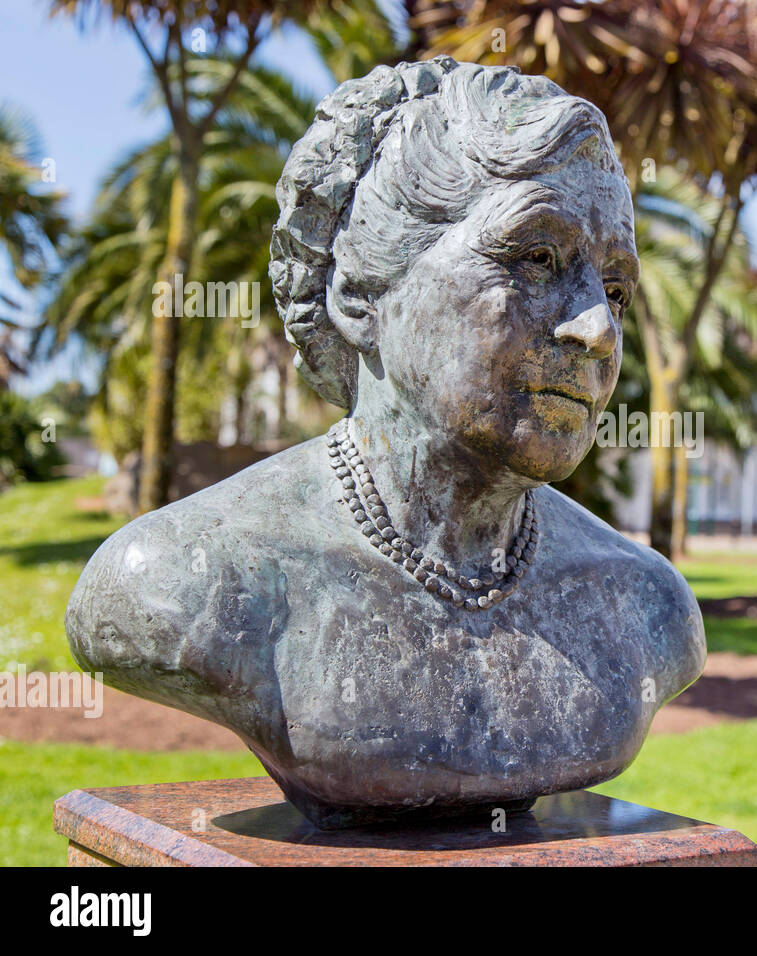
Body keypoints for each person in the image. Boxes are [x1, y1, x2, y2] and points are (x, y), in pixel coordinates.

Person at [65, 59, 705, 828]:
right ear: (357, 293)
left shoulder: (646, 609)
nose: (597, 328)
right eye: (537, 258)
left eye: (615, 287)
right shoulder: (181, 581)